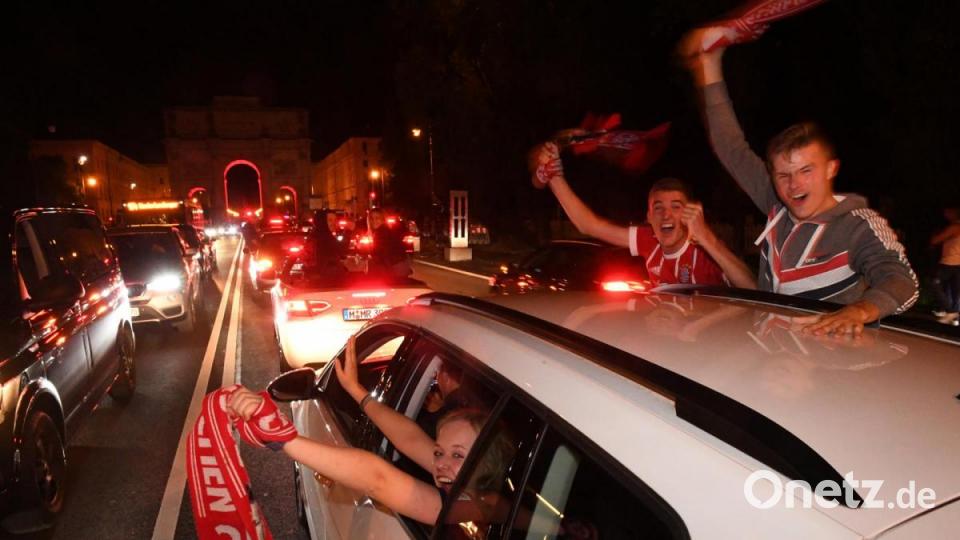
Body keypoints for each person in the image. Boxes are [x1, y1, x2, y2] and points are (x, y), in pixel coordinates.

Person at [682, 27, 919, 336]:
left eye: (806, 171)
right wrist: (710, 62)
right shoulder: (775, 202)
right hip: (770, 353)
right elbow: (730, 146)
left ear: (831, 168)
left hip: (826, 360)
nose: (793, 185)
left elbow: (902, 280)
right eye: (783, 174)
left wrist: (860, 310)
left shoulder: (858, 225)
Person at [530, 141, 757, 289]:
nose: (666, 215)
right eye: (658, 208)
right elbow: (589, 225)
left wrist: (708, 239)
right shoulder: (649, 240)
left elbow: (752, 289)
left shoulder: (706, 250)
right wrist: (555, 176)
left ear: (691, 213)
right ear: (648, 216)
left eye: (676, 206)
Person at [930, 206, 960, 325]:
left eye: (948, 212)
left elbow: (935, 240)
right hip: (956, 263)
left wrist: (936, 235)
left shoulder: (955, 227)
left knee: (934, 283)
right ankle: (952, 315)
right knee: (954, 290)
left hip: (949, 262)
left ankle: (950, 311)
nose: (945, 214)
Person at [368, 208, 412, 277]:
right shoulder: (384, 230)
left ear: (383, 219)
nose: (374, 221)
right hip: (400, 264)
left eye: (377, 218)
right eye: (372, 218)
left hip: (396, 265)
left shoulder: (382, 232)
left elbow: (383, 253)